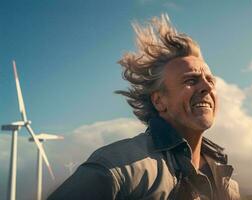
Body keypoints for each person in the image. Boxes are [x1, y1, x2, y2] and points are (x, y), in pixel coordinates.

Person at [48, 14, 240, 200]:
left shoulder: (227, 182)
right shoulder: (117, 169)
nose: (207, 87)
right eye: (191, 80)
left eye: (210, 80)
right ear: (159, 101)